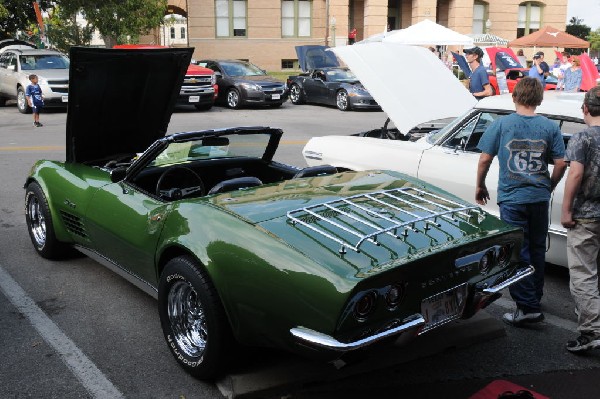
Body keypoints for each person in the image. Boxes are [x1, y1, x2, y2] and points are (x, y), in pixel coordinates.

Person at [475, 77, 567, 327]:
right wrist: (550, 185)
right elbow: (560, 162)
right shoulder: (549, 127)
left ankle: (527, 308)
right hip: (538, 197)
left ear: (514, 97)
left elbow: (484, 159)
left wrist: (480, 185)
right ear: (539, 99)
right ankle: (533, 297)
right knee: (537, 249)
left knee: (518, 252)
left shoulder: (502, 124)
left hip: (513, 198)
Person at [561, 86, 600, 352]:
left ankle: (592, 331)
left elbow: (574, 175)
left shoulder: (582, 138)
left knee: (584, 274)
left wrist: (566, 210)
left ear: (585, 108)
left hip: (586, 215)